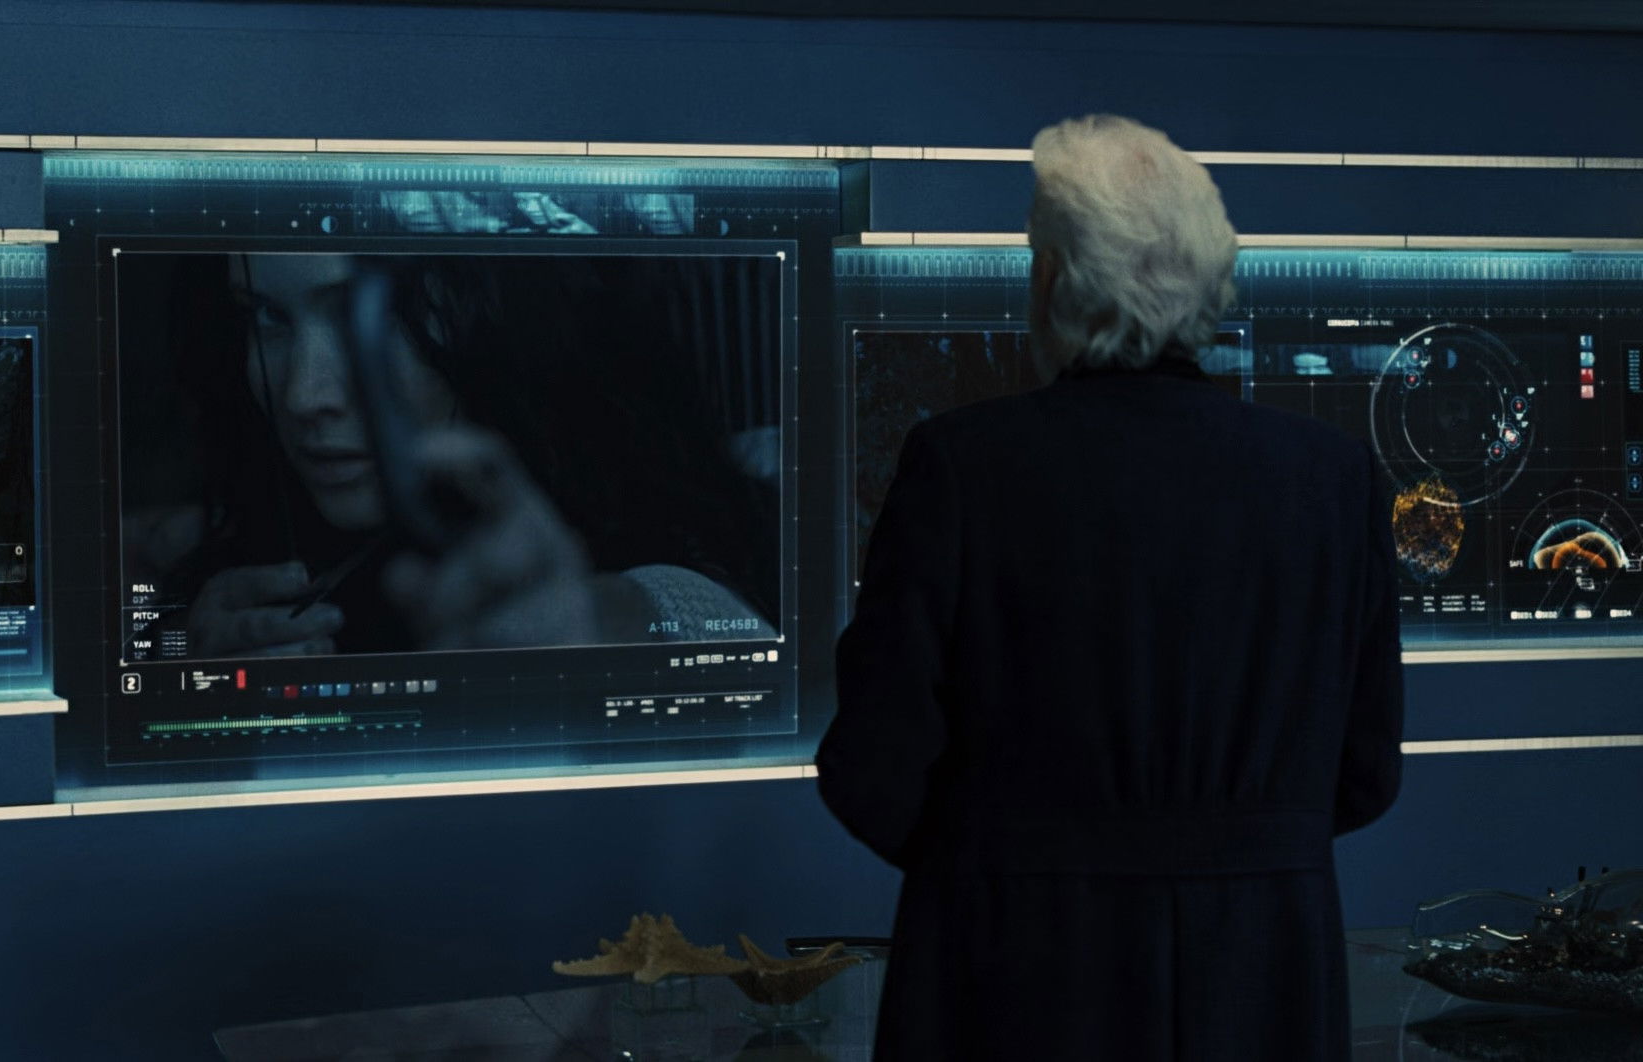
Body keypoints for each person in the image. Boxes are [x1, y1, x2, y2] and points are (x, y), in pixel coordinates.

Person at [817, 114, 1404, 1060]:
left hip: (1015, 976)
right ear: (1211, 278)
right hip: (1266, 976)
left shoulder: (961, 465)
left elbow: (871, 768)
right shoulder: (1335, 478)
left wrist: (1006, 860)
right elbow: (1367, 772)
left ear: (1052, 280)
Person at [130, 252, 778, 659]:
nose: (304, 396)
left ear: (497, 323)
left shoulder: (694, 520)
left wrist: (585, 629)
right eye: (267, 317)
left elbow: (691, 616)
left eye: (364, 317)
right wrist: (190, 665)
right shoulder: (221, 535)